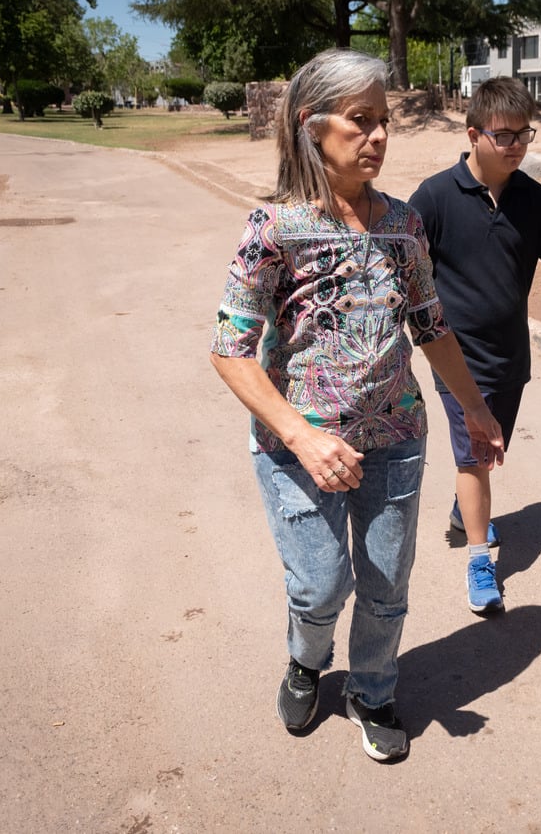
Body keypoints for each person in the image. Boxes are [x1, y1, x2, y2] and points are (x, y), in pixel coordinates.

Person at [209, 48, 505, 762]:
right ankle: (306, 661)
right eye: (360, 120)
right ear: (313, 126)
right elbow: (229, 348)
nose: (376, 136)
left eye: (383, 122)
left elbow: (431, 326)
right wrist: (302, 437)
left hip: (396, 434)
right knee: (319, 586)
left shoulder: (404, 224)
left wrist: (474, 407)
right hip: (298, 446)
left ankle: (372, 690)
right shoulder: (273, 228)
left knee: (385, 584)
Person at [408, 76, 541, 615]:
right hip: (456, 359)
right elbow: (410, 270)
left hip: (511, 358)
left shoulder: (536, 200)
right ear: (474, 134)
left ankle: (464, 508)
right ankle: (478, 558)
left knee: (487, 456)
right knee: (473, 458)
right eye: (504, 135)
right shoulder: (435, 197)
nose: (515, 146)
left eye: (524, 135)